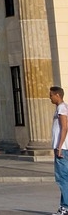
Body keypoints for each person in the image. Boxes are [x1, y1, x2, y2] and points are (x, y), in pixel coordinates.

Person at [50, 86, 68, 215]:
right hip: (63, 148)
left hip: (63, 148)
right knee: (64, 179)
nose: (49, 97)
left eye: (51, 95)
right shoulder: (62, 107)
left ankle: (65, 207)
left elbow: (64, 127)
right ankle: (63, 206)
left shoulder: (62, 108)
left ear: (57, 95)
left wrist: (60, 146)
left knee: (62, 179)